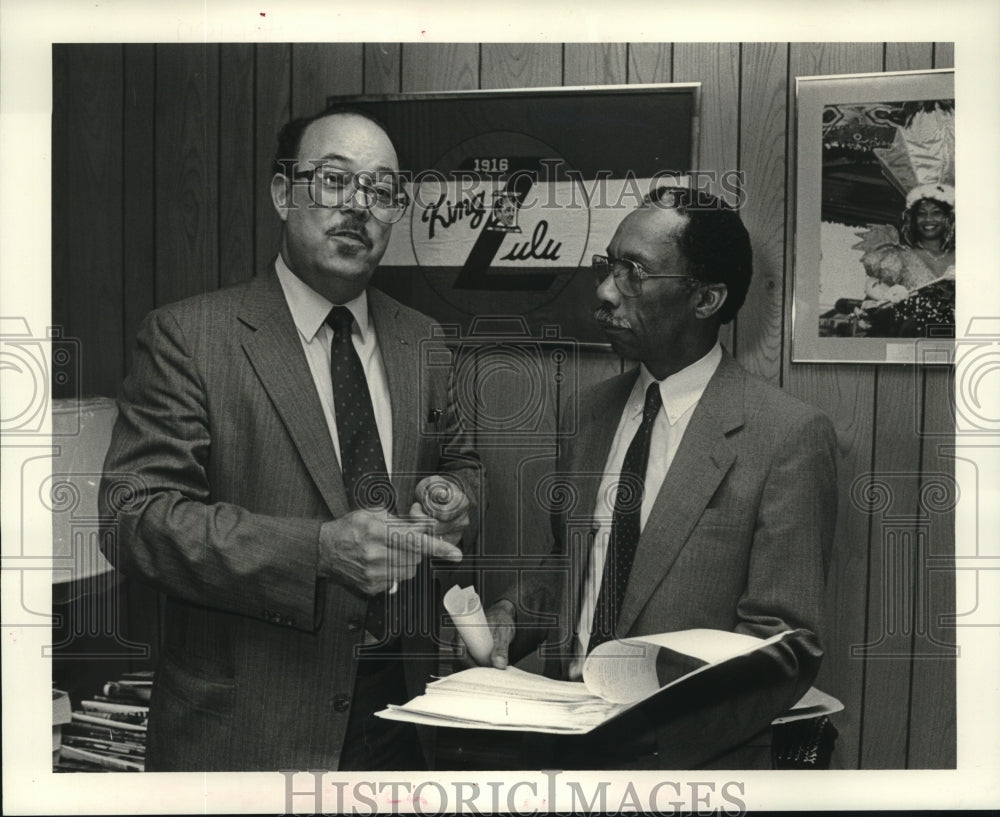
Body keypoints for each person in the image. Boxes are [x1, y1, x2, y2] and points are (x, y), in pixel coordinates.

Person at [98, 107, 481, 771]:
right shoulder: (190, 338)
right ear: (283, 193)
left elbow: (459, 464)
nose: (358, 207)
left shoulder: (425, 340)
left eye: (382, 191)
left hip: (401, 714)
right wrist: (317, 551)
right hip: (246, 730)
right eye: (334, 181)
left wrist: (452, 496)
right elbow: (135, 519)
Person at [479, 186, 838, 769]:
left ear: (707, 298)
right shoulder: (590, 413)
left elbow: (785, 645)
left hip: (687, 768)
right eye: (607, 267)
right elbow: (574, 562)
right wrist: (512, 618)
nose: (603, 291)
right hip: (557, 750)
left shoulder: (786, 438)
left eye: (633, 273)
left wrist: (655, 739)